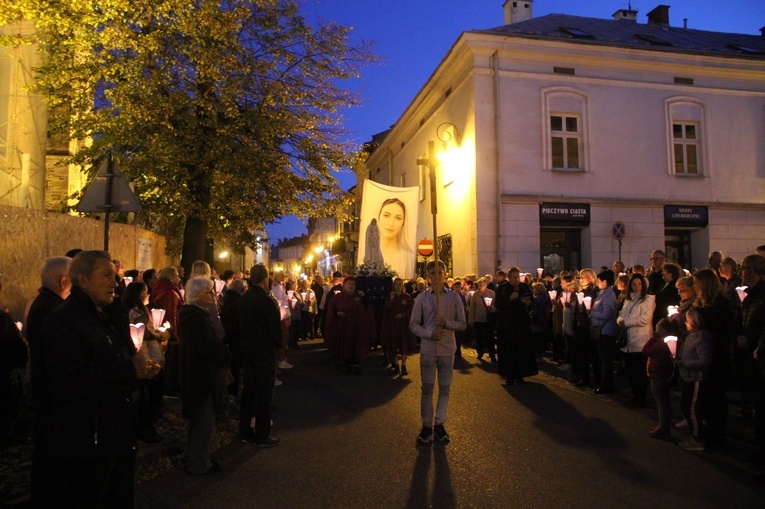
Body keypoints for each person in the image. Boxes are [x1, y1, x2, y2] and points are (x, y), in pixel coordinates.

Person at [39, 250, 159, 506]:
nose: (115, 283)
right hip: (88, 444)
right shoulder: (63, 322)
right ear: (82, 280)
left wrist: (140, 370)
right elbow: (70, 382)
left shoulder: (103, 318)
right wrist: (129, 371)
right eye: (106, 275)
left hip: (115, 437)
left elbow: (114, 361)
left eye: (114, 276)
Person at [24, 256, 71, 506]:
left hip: (45, 390)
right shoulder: (53, 311)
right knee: (50, 454)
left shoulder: (44, 304)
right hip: (51, 393)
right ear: (63, 281)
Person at [178, 276, 231, 474]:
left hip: (194, 374)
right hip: (202, 376)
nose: (213, 295)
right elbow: (209, 350)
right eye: (209, 292)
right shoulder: (198, 320)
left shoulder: (191, 316)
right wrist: (225, 351)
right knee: (204, 421)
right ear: (199, 295)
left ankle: (194, 458)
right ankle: (198, 464)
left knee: (197, 419)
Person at [409, 260, 466, 443]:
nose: (436, 276)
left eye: (440, 272)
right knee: (427, 389)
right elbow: (413, 324)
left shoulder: (454, 297)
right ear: (428, 276)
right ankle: (426, 426)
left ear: (445, 274)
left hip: (447, 348)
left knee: (445, 389)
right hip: (428, 349)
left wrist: (447, 324)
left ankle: (439, 423)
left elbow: (463, 323)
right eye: (433, 273)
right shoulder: (422, 298)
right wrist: (429, 333)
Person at [238, 264, 282, 447]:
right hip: (264, 352)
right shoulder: (266, 301)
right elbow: (275, 329)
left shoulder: (243, 298)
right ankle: (262, 435)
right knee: (264, 394)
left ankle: (244, 431)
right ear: (265, 279)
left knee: (248, 391)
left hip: (247, 351)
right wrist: (277, 345)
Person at [693, 268, 738, 447]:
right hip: (704, 354)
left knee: (716, 397)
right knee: (707, 397)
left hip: (716, 357)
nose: (694, 286)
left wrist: (709, 333)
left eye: (697, 283)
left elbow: (728, 330)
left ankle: (717, 436)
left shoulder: (720, 305)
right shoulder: (704, 304)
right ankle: (709, 430)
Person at [123, 281, 169, 443]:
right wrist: (160, 335)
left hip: (148, 351)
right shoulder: (137, 312)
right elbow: (143, 332)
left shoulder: (141, 309)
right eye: (145, 292)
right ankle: (151, 415)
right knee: (153, 383)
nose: (148, 294)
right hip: (145, 352)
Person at [676, 307, 713, 451]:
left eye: (689, 320)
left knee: (693, 409)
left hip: (697, 378)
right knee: (685, 406)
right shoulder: (690, 336)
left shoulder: (702, 339)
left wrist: (685, 363)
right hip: (688, 377)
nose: (686, 323)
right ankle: (694, 434)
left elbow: (704, 362)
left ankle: (698, 439)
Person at [739, 254, 765, 462]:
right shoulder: (751, 295)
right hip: (752, 356)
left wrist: (754, 341)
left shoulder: (762, 295)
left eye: (744, 268)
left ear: (754, 271)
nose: (742, 272)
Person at [617, 273, 655, 408]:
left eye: (639, 284)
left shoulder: (649, 299)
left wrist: (626, 322)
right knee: (631, 371)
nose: (636, 287)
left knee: (639, 371)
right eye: (634, 284)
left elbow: (644, 319)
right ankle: (635, 396)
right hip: (628, 339)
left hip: (640, 339)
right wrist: (620, 321)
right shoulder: (629, 299)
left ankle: (641, 398)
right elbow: (621, 314)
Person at [495, 266, 538, 385]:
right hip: (507, 325)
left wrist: (528, 303)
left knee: (521, 349)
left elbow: (532, 303)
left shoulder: (524, 287)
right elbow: (498, 305)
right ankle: (509, 375)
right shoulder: (503, 288)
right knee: (508, 350)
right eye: (514, 277)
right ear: (509, 277)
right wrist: (510, 298)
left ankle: (520, 374)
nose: (516, 279)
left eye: (518, 277)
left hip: (522, 324)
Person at [325, 276, 368, 374]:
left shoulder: (359, 296)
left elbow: (366, 308)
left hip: (357, 327)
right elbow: (332, 308)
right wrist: (337, 313)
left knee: (356, 345)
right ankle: (347, 365)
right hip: (344, 327)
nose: (351, 286)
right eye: (349, 284)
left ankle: (356, 365)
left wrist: (364, 297)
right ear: (344, 285)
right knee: (346, 345)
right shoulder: (338, 297)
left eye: (352, 284)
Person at [152, 266, 184, 396]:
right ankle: (170, 387)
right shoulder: (170, 293)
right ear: (171, 277)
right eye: (176, 275)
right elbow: (172, 314)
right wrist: (174, 335)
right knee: (171, 360)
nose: (178, 278)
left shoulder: (160, 288)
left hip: (162, 328)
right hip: (169, 331)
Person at [380, 278, 417, 375]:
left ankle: (404, 365)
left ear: (402, 286)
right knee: (394, 345)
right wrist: (391, 300)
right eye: (396, 284)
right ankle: (396, 364)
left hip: (403, 325)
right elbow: (386, 309)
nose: (398, 286)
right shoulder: (390, 296)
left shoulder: (407, 297)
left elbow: (410, 309)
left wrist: (403, 315)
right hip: (393, 325)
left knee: (403, 345)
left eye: (400, 284)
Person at [590, 270, 618, 394]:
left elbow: (607, 313)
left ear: (605, 282)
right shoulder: (602, 294)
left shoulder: (609, 295)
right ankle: (603, 382)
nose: (597, 283)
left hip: (605, 331)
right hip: (600, 330)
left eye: (598, 281)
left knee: (606, 360)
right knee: (602, 358)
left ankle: (607, 384)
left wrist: (591, 312)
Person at [221, 278, 247, 396]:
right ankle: (233, 391)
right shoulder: (238, 303)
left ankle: (232, 390)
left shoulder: (228, 300)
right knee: (234, 365)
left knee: (233, 365)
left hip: (229, 336)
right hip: (235, 338)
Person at [377, 198, 415, 278]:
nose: (391, 223)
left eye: (398, 218)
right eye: (386, 215)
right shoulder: (368, 255)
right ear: (378, 218)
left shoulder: (408, 257)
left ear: (403, 223)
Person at [468, 277, 496, 362]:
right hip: (478, 319)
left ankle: (492, 354)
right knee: (479, 338)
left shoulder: (491, 293)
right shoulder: (476, 294)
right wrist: (471, 320)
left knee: (490, 338)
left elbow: (495, 305)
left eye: (482, 284)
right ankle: (480, 353)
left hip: (488, 320)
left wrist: (491, 308)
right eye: (479, 284)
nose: (480, 286)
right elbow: (472, 308)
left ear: (486, 285)